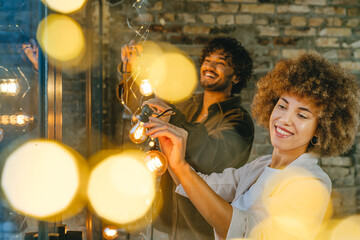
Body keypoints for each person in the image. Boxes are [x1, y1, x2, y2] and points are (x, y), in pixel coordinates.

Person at [144, 52, 360, 239]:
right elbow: (207, 187)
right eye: (282, 106)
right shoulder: (261, 166)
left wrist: (182, 168)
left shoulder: (313, 182)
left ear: (321, 129)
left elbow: (247, 233)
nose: (285, 119)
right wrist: (172, 157)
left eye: (302, 115)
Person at [121, 37, 254, 239]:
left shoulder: (239, 121)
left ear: (236, 77)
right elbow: (142, 108)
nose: (210, 66)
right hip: (164, 223)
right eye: (207, 60)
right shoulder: (186, 106)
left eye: (221, 62)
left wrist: (172, 118)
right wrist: (131, 71)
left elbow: (209, 159)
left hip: (200, 230)